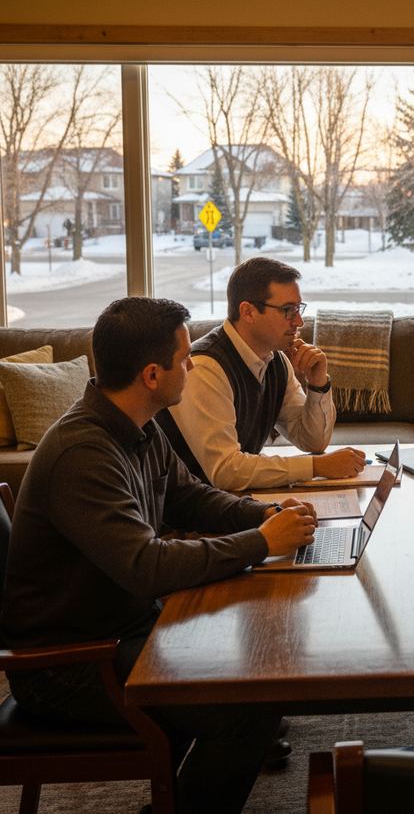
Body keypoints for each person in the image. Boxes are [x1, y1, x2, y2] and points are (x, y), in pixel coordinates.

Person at [1, 297, 320, 814]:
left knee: (258, 661)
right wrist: (263, 542)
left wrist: (266, 514)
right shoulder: (82, 453)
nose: (193, 365)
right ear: (152, 375)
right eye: (184, 358)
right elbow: (147, 568)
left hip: (124, 628)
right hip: (72, 666)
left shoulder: (139, 425)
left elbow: (191, 497)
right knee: (249, 706)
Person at [157, 256, 366, 490]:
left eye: (298, 309)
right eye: (288, 310)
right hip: (187, 507)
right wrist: (316, 466)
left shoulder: (276, 361)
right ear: (247, 312)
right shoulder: (204, 368)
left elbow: (312, 441)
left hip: (230, 501)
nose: (299, 321)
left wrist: (318, 384)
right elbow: (226, 471)